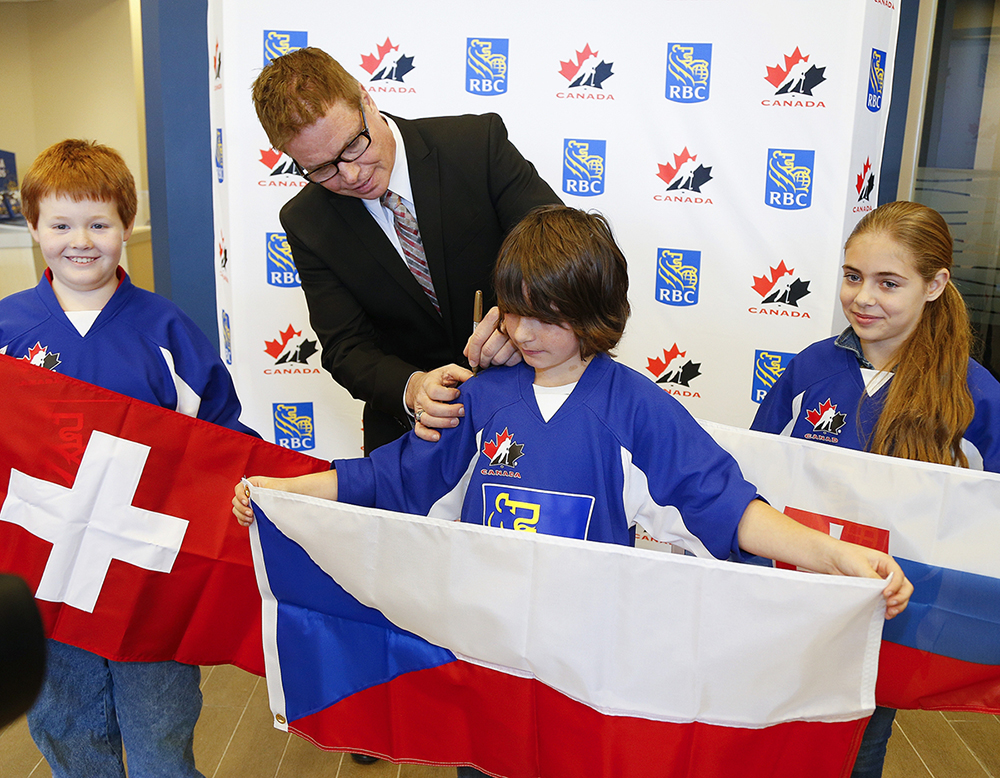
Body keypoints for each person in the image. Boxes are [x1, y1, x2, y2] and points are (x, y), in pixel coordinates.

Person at [235, 205, 913, 776]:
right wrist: (283, 491)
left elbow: (727, 507)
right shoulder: (480, 402)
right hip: (487, 661)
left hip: (588, 673)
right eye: (514, 312)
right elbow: (389, 481)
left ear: (594, 310)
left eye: (549, 316)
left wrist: (837, 557)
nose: (526, 333)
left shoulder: (634, 408)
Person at [4, 139, 256, 778]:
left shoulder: (165, 329)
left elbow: (222, 436)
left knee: (160, 731)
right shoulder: (8, 330)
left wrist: (260, 488)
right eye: (60, 224)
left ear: (126, 226)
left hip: (146, 572)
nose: (79, 240)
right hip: (45, 576)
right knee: (64, 726)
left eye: (98, 223)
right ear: (32, 227)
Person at [751, 200, 1000, 778]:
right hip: (800, 595)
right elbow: (759, 471)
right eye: (852, 276)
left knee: (858, 744)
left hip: (891, 615)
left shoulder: (973, 395)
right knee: (776, 732)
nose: (863, 298)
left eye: (889, 283)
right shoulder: (811, 368)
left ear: (935, 284)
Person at [251, 47, 561, 455]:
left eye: (353, 145)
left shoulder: (474, 145)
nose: (351, 174)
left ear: (366, 99)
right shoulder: (306, 221)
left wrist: (516, 319)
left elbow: (562, 246)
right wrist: (412, 387)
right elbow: (347, 348)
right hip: (413, 434)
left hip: (533, 397)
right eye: (322, 168)